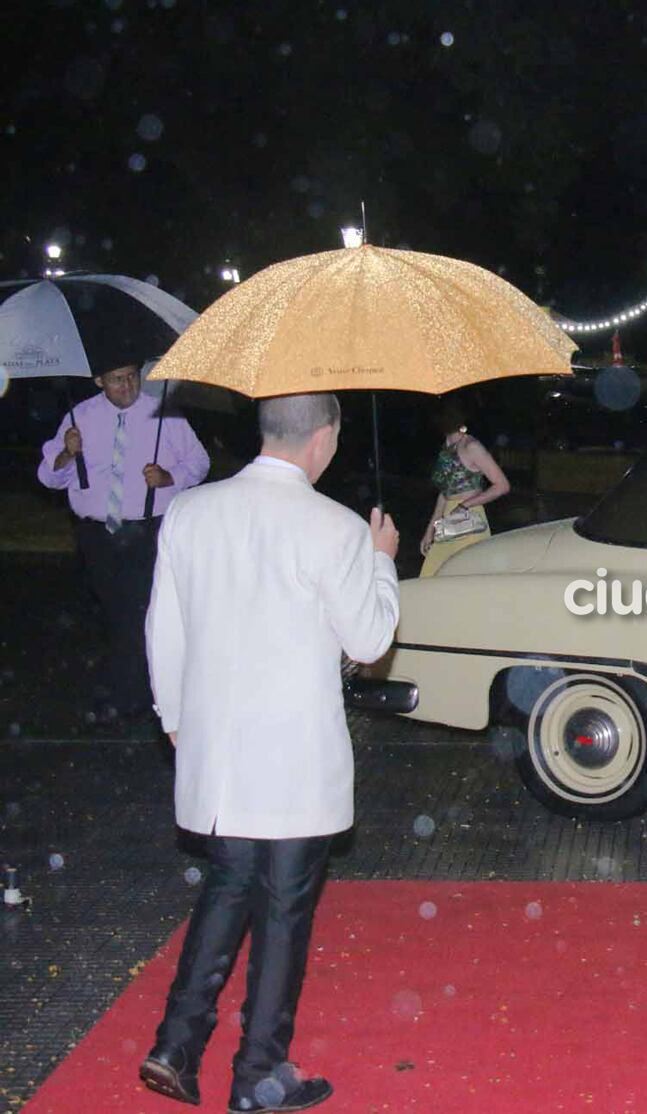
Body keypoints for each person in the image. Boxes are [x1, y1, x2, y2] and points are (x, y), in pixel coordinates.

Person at [139, 392, 400, 1114]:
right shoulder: (336, 528)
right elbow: (371, 641)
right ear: (325, 436)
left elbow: (164, 628)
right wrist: (382, 563)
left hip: (217, 747)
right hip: (293, 754)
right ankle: (258, 1073)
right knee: (283, 908)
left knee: (227, 888)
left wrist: (175, 722)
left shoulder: (190, 512)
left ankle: (175, 1043)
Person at [37, 362, 210, 718]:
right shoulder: (80, 416)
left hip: (146, 530)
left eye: (132, 376)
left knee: (136, 612)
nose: (127, 385)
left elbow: (200, 463)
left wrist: (168, 476)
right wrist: (67, 453)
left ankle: (129, 698)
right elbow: (48, 477)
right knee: (118, 614)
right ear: (99, 381)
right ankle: (137, 691)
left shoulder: (164, 416)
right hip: (97, 533)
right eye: (117, 379)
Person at [418, 400, 509, 577]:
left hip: (469, 519)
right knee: (433, 575)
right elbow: (445, 493)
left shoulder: (471, 446)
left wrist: (465, 505)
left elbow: (502, 485)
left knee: (464, 576)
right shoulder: (447, 446)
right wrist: (430, 530)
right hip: (448, 516)